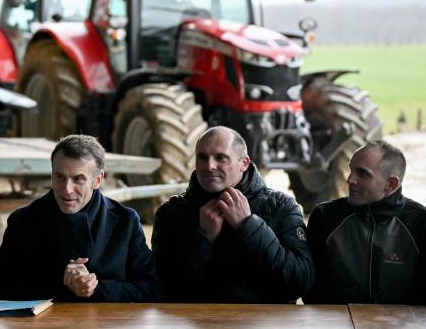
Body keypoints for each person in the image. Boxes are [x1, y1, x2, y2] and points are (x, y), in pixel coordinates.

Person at [0, 134, 161, 302]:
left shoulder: (125, 221)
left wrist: (94, 288)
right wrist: (63, 283)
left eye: (78, 179)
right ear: (52, 174)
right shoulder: (23, 221)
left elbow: (152, 288)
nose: (67, 189)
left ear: (97, 180)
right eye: (60, 177)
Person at [152, 126, 314, 303]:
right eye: (202, 157)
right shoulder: (170, 213)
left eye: (220, 158)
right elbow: (162, 287)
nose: (209, 166)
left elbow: (300, 281)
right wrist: (203, 238)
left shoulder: (281, 206)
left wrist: (248, 225)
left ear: (244, 163)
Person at [304, 140, 426, 305]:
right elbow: (312, 291)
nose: (350, 180)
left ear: (391, 184)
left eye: (362, 174)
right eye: (351, 170)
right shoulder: (326, 217)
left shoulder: (419, 222)